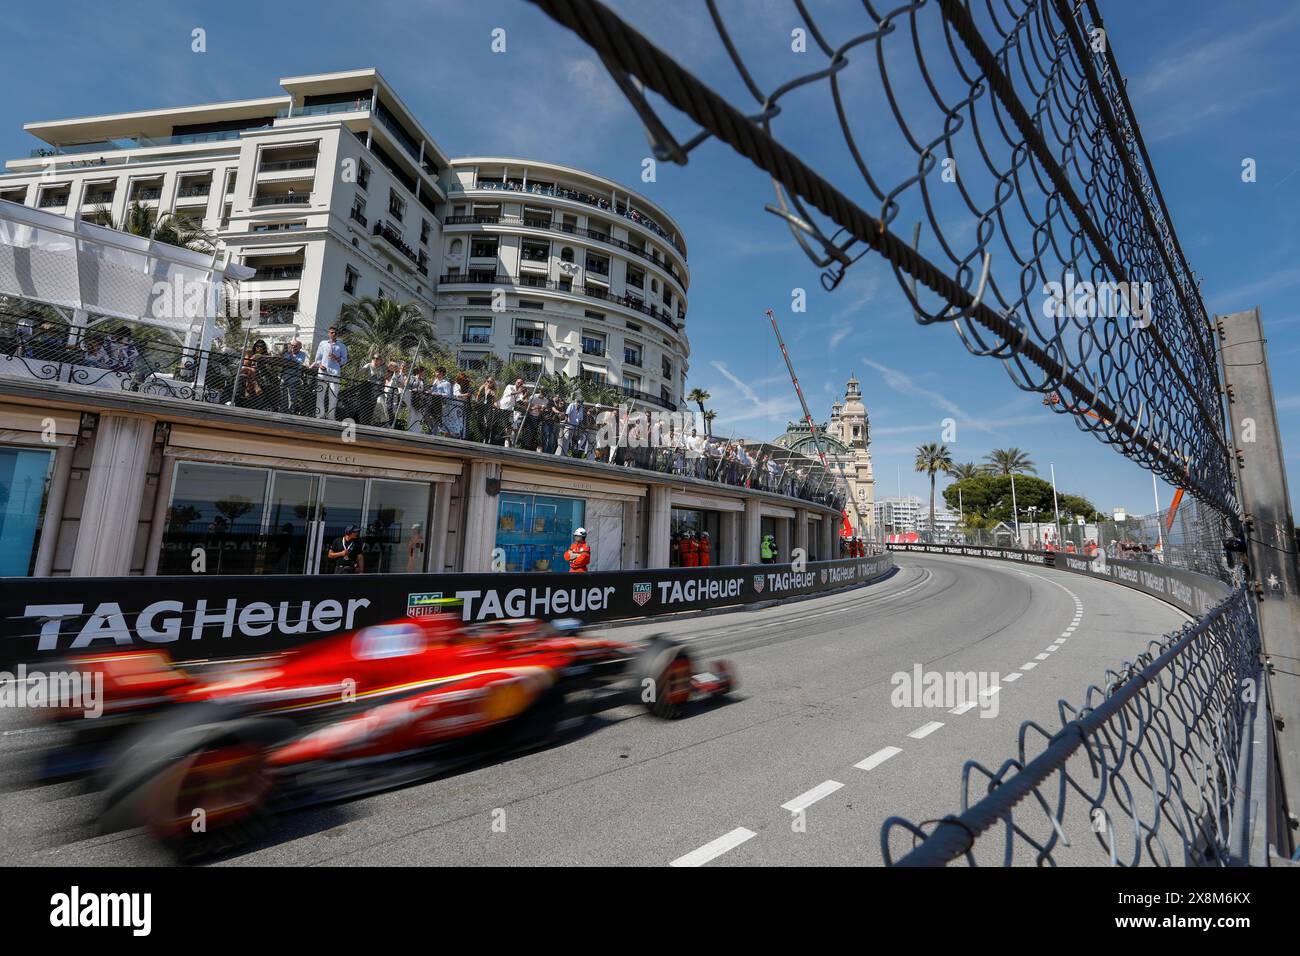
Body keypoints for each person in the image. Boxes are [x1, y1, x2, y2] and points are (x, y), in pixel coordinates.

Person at [313, 326, 348, 419]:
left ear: (338, 334)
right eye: (331, 332)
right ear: (328, 333)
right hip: (323, 372)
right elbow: (317, 358)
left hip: (335, 373)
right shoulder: (323, 344)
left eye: (335, 333)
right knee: (320, 394)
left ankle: (331, 416)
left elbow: (344, 360)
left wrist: (336, 358)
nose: (333, 334)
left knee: (333, 395)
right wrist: (320, 365)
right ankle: (319, 415)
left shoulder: (342, 346)